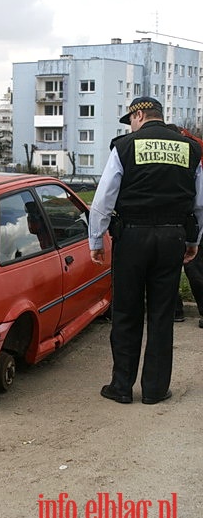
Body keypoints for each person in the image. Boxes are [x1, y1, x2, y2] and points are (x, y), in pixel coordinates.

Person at [89, 97, 203, 405]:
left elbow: (103, 200)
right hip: (172, 237)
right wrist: (193, 241)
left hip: (132, 238)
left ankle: (121, 387)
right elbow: (200, 203)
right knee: (162, 313)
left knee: (126, 311)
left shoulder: (124, 147)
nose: (131, 126)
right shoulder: (190, 148)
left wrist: (96, 241)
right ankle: (154, 389)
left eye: (132, 120)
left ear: (139, 114)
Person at [173, 127, 203, 327]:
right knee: (195, 267)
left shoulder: (193, 150)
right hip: (191, 217)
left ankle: (175, 310)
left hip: (184, 217)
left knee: (187, 266)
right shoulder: (195, 147)